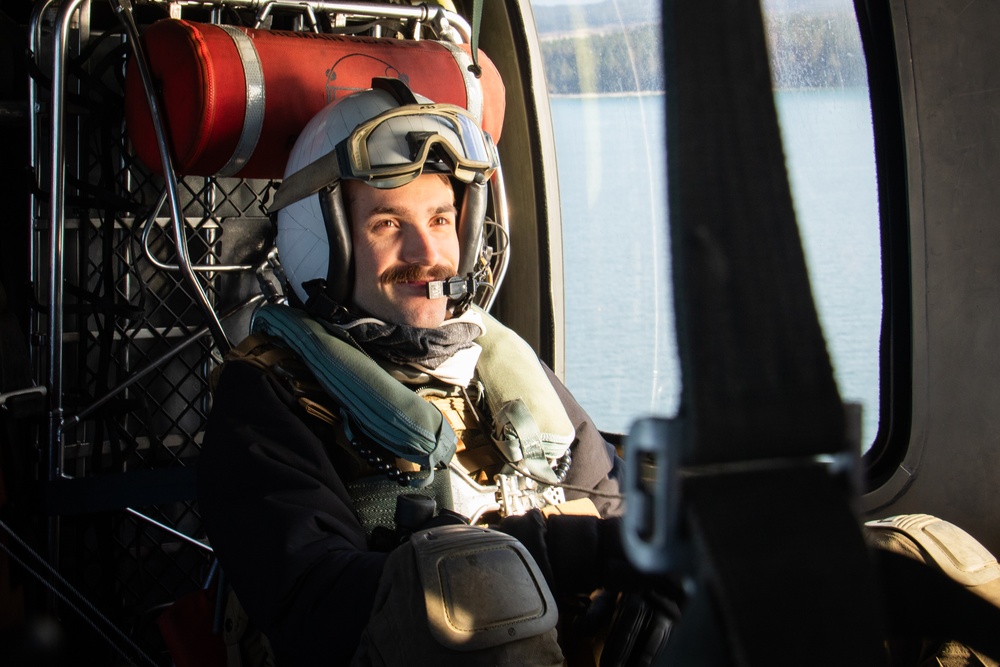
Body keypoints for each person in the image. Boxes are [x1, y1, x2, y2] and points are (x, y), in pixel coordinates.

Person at [197, 78, 628, 665]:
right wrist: (534, 552)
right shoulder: (268, 395)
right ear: (323, 240)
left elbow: (614, 515)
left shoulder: (504, 368)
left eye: (442, 219)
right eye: (388, 224)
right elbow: (317, 602)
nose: (428, 253)